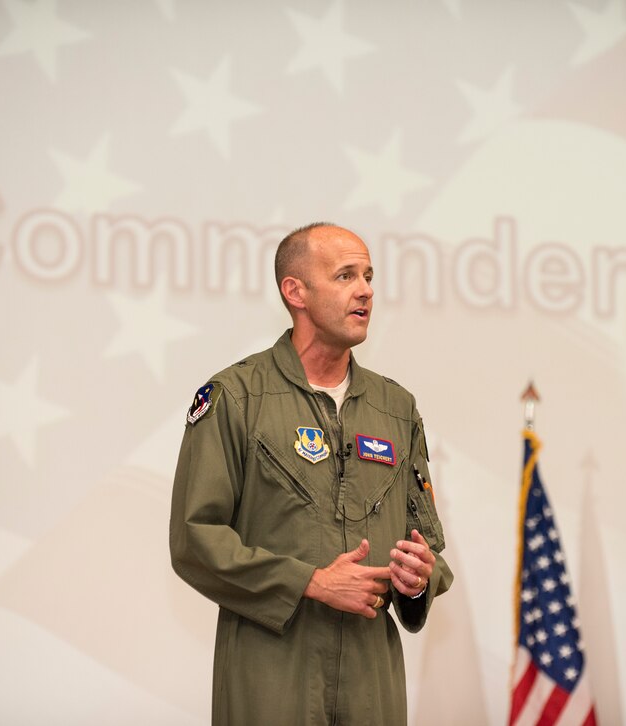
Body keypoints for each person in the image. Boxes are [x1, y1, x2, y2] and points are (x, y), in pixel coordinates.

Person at [170, 222, 453, 725]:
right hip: (271, 668)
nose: (365, 289)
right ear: (294, 291)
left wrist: (416, 580)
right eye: (345, 275)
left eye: (368, 275)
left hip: (371, 679)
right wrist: (311, 582)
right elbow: (195, 539)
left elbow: (425, 541)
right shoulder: (236, 397)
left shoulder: (396, 408)